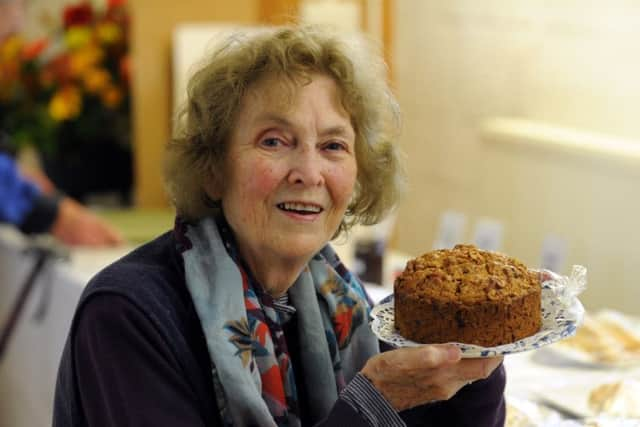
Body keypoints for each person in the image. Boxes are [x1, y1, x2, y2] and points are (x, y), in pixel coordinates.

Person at [53, 26, 505, 426]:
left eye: (332, 146)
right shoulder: (129, 314)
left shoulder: (338, 302)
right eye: (274, 141)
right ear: (213, 168)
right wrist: (373, 406)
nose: (309, 172)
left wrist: (474, 360)